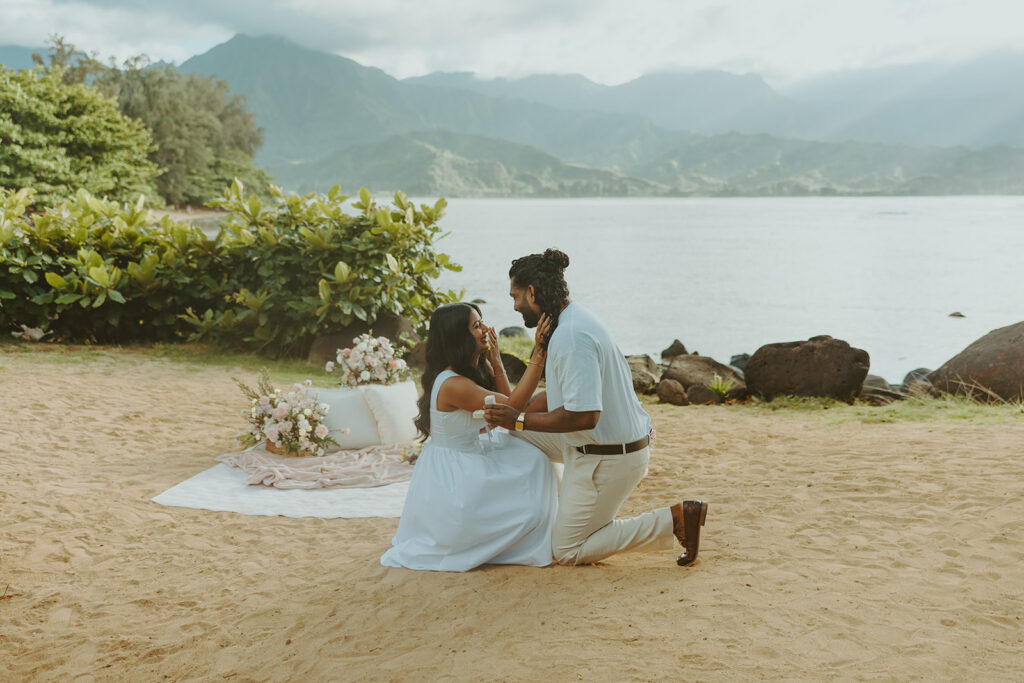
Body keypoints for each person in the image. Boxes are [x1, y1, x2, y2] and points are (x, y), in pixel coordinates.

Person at [484, 248, 708, 567]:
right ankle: (526, 517)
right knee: (506, 437)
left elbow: (585, 416)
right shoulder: (570, 321)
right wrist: (515, 417)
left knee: (568, 550)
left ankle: (674, 519)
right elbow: (553, 399)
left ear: (532, 292)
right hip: (600, 444)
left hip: (609, 456)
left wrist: (519, 420)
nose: (515, 305)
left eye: (516, 296)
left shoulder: (572, 336)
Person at [381, 302, 558, 571]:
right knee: (532, 480)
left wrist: (496, 360)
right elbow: (517, 407)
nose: (485, 329)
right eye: (476, 326)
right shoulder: (455, 384)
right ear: (459, 337)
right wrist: (539, 355)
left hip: (464, 456)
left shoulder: (461, 373)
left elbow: (509, 402)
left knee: (534, 458)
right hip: (456, 472)